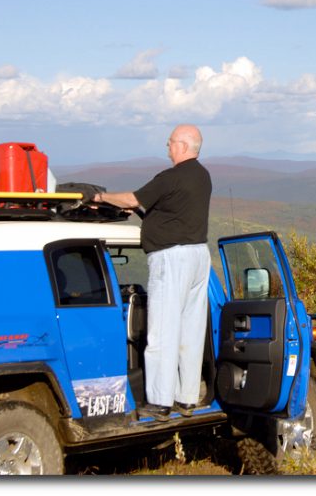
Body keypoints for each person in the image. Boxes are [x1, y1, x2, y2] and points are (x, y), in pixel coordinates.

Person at [93, 124, 212, 421]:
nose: (167, 147)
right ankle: (186, 399)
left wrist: (100, 198)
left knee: (162, 331)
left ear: (183, 146)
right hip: (198, 255)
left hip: (171, 259)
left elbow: (132, 199)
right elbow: (170, 211)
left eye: (170, 143)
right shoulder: (203, 177)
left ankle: (160, 401)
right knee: (191, 330)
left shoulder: (170, 177)